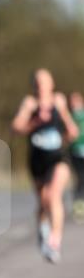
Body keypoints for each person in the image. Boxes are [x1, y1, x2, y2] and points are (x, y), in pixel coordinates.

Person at [11, 70, 79, 263]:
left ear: (52, 84)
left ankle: (54, 242)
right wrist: (34, 122)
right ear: (34, 86)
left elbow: (71, 128)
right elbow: (15, 128)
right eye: (37, 83)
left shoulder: (58, 101)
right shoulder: (29, 104)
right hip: (37, 160)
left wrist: (68, 134)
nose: (41, 87)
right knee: (43, 202)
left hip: (58, 157)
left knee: (53, 194)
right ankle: (43, 229)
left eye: (44, 82)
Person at [67, 91, 84, 220]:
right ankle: (79, 207)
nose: (74, 104)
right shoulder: (68, 117)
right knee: (79, 179)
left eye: (76, 101)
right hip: (76, 152)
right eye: (72, 101)